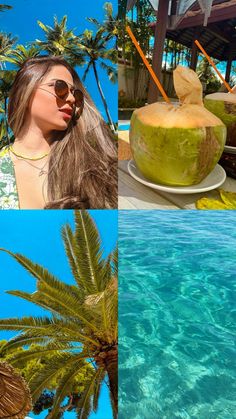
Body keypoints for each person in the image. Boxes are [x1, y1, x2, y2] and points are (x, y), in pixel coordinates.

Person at [0, 56, 117, 209]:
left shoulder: (90, 165)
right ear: (26, 92)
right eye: (59, 87)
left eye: (76, 95)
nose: (71, 99)